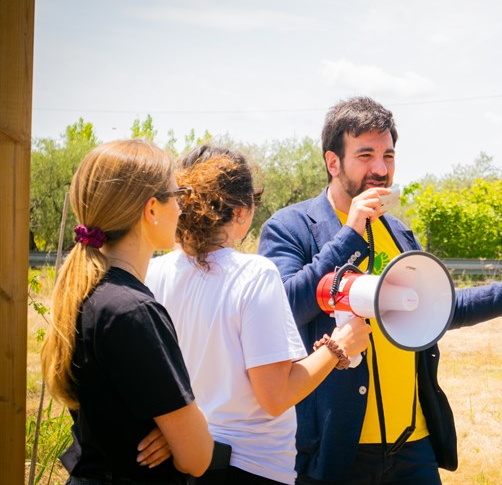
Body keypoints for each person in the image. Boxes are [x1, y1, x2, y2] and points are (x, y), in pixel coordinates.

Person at [258, 96, 502, 484]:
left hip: (413, 446)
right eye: (365, 155)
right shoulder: (289, 227)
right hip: (336, 450)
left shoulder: (398, 232)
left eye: (388, 156)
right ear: (332, 162)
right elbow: (284, 310)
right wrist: (348, 235)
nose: (380, 169)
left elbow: (443, 307)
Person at [146, 145, 371, 485]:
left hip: (184, 458)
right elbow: (276, 396)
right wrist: (337, 348)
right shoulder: (254, 274)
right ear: (241, 211)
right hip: (250, 464)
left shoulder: (154, 272)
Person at [40, 139, 213, 483]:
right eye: (178, 195)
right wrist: (181, 432)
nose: (181, 209)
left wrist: (170, 431)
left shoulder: (86, 293)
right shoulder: (132, 311)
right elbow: (197, 457)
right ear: (151, 209)